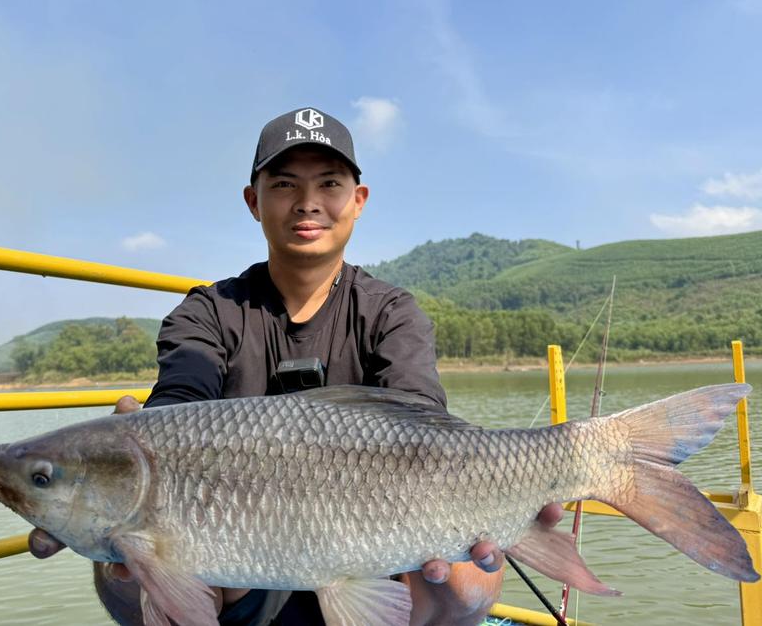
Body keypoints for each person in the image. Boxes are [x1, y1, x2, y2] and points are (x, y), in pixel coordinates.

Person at [29, 107, 563, 625]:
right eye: (284, 185)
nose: (308, 203)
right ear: (253, 201)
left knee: (471, 578)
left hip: (381, 531)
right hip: (246, 550)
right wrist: (120, 466)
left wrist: (515, 490)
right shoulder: (206, 312)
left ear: (358, 201)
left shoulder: (391, 311)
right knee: (124, 564)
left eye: (329, 185)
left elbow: (422, 423)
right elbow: (178, 406)